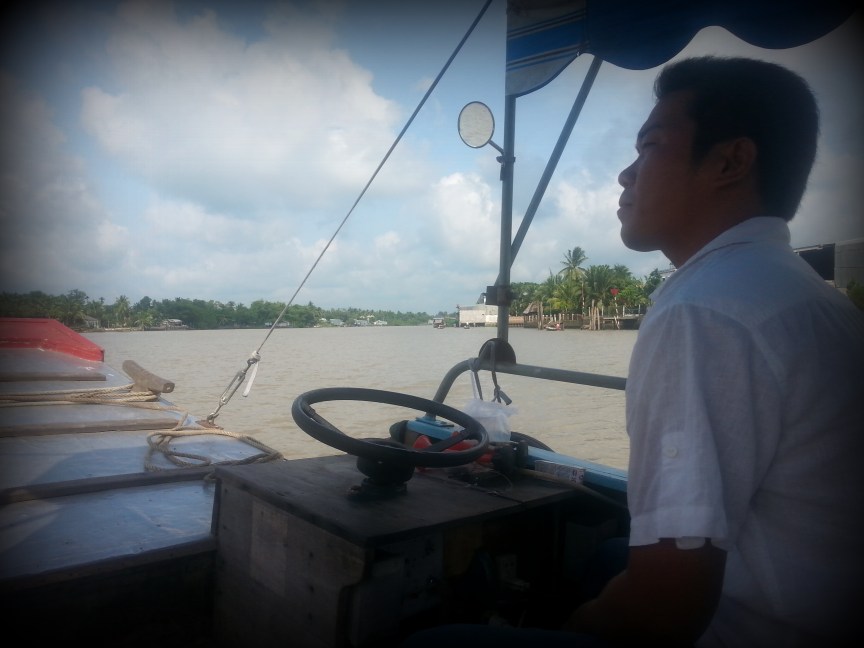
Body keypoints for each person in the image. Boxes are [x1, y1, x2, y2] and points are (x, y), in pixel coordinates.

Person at [403, 56, 864, 647]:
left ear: (730, 161)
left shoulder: (705, 308)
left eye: (649, 146)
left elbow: (662, 610)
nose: (626, 174)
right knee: (608, 559)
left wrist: (575, 626)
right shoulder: (806, 292)